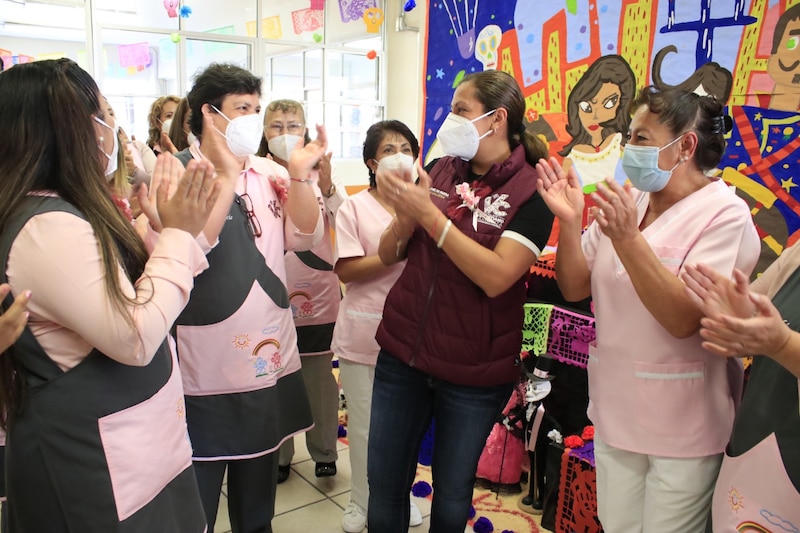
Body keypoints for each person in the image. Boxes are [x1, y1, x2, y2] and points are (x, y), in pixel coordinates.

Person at [0, 58, 222, 531]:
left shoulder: (69, 209)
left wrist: (169, 230)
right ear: (66, 129)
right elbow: (135, 334)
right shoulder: (46, 227)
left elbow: (136, 290)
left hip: (134, 441)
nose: (112, 129)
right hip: (90, 458)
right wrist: (179, 234)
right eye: (103, 114)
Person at [535, 86, 761, 532]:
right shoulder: (631, 202)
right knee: (616, 524)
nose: (629, 148)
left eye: (640, 138)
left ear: (686, 146)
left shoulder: (724, 215)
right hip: (616, 409)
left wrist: (627, 239)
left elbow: (682, 320)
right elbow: (574, 284)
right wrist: (569, 218)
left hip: (684, 425)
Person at [368, 69, 554, 531]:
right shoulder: (439, 168)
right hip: (403, 352)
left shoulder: (532, 192)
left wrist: (430, 218)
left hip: (474, 369)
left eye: (460, 111)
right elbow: (390, 253)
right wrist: (402, 216)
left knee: (452, 495)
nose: (448, 120)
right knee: (385, 483)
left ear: (497, 120)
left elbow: (497, 277)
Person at [169, 63, 325, 533]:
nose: (252, 120)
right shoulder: (179, 172)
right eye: (243, 109)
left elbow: (303, 235)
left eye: (257, 109)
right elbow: (177, 251)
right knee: (194, 499)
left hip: (265, 353)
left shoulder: (267, 171)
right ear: (208, 114)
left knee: (257, 496)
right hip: (202, 364)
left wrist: (300, 176)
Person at [332, 120, 423, 532]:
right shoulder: (355, 207)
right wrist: (391, 254)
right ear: (372, 161)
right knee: (367, 429)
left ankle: (401, 495)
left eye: (405, 147)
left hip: (415, 337)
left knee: (406, 429)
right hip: (364, 333)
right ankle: (360, 501)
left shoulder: (427, 204)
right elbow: (348, 270)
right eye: (389, 150)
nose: (399, 155)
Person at [258, 98, 344, 484]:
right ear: (263, 132)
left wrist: (328, 187)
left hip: (317, 294)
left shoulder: (318, 172)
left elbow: (342, 220)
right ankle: (279, 455)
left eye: (293, 125)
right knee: (273, 375)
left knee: (318, 377)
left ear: (306, 130)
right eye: (276, 126)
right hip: (268, 292)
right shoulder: (254, 173)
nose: (285, 133)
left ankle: (325, 451)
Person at [682, 255, 800, 531]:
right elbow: (751, 331)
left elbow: (776, 338)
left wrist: (781, 344)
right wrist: (734, 316)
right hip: (755, 437)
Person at [558, 55, 635, 194]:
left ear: (622, 105)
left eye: (608, 104)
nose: (595, 116)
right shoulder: (572, 159)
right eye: (586, 107)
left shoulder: (623, 148)